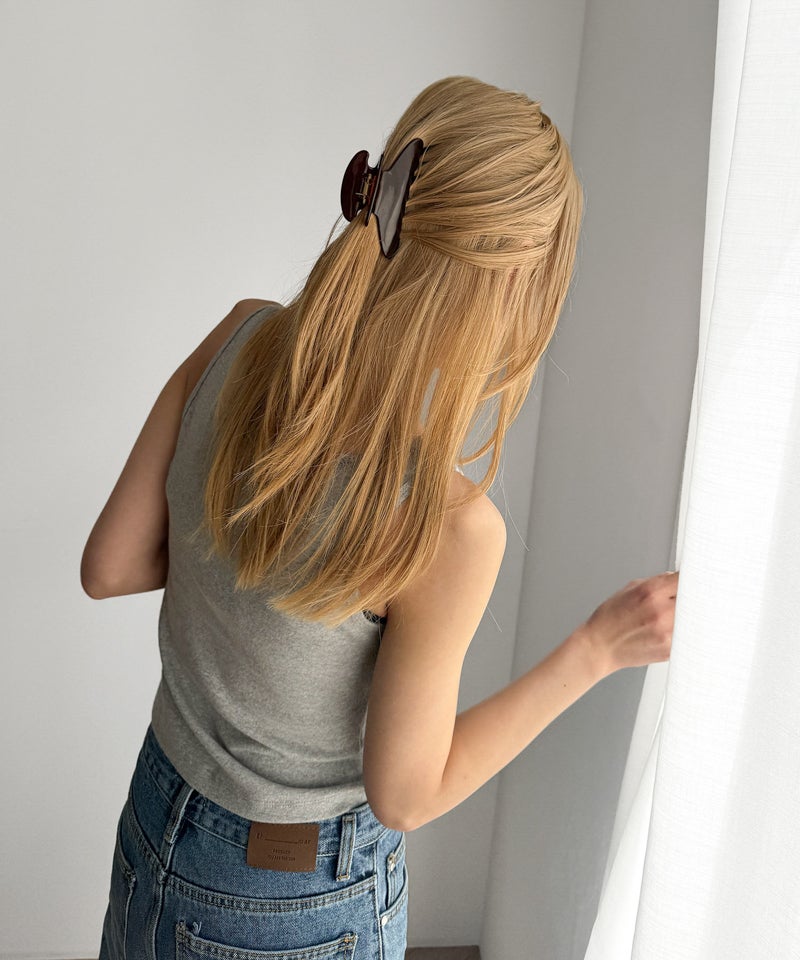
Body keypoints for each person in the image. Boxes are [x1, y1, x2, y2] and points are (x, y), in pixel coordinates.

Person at [83, 75, 678, 960]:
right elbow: (406, 794)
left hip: (155, 822)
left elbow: (111, 566)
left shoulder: (239, 335)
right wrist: (596, 648)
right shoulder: (446, 528)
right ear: (512, 286)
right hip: (293, 904)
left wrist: (247, 571)